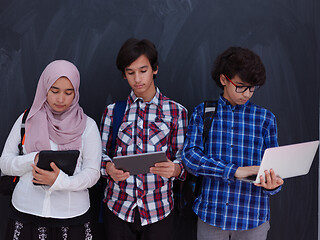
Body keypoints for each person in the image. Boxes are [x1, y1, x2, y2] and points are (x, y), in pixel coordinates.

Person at [182, 47, 284, 240]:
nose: (247, 94)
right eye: (241, 86)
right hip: (212, 215)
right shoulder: (203, 113)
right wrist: (234, 171)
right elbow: (190, 158)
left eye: (252, 88)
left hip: (253, 218)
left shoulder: (265, 119)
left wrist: (273, 184)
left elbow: (274, 167)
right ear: (223, 80)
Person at [0, 60, 101, 239]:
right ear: (45, 87)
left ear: (75, 93)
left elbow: (92, 173)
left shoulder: (88, 126)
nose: (61, 99)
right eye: (54, 91)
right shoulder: (27, 119)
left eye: (68, 92)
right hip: (26, 212)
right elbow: (5, 164)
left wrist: (60, 181)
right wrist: (34, 158)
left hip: (71, 216)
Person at [100, 38, 188, 240]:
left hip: (159, 208)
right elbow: (98, 156)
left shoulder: (176, 112)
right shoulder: (113, 112)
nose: (137, 79)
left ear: (154, 69)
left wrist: (175, 169)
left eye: (143, 70)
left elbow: (184, 159)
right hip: (118, 207)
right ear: (124, 75)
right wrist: (108, 169)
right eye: (130, 73)